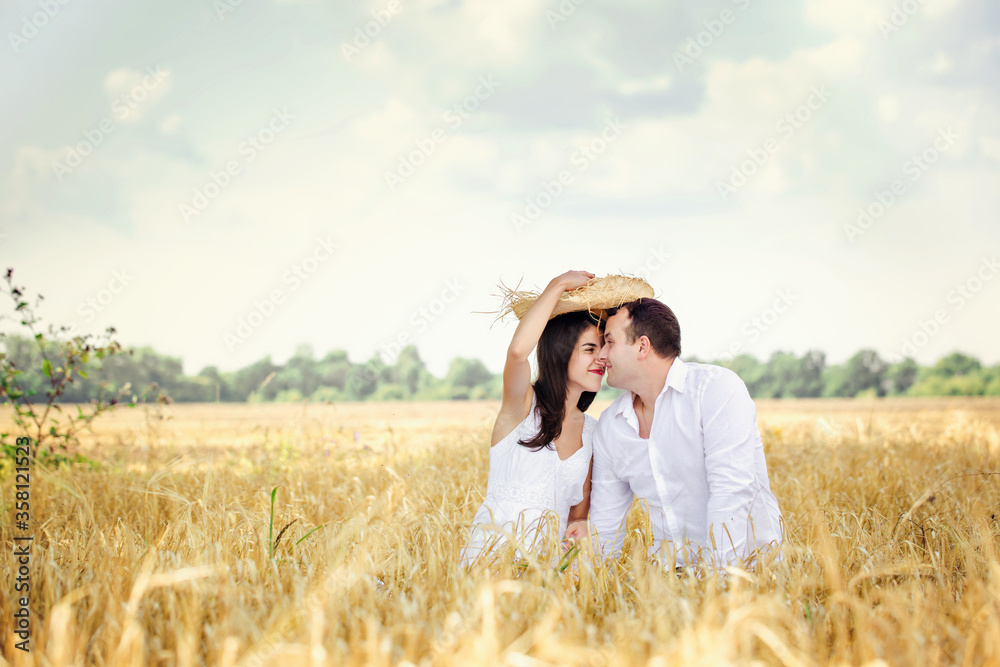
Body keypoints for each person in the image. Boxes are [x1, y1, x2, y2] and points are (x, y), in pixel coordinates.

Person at [565, 298, 783, 571]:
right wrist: (586, 589)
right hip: (669, 582)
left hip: (749, 572)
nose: (603, 355)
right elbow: (606, 527)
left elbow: (731, 492)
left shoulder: (715, 390)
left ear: (642, 346)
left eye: (610, 342)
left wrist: (719, 584)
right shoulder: (611, 425)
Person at [459, 270, 605, 567]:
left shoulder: (594, 432)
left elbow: (577, 518)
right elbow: (517, 353)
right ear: (560, 352)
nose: (601, 358)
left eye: (603, 349)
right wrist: (559, 285)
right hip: (491, 563)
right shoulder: (522, 407)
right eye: (590, 349)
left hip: (546, 572)